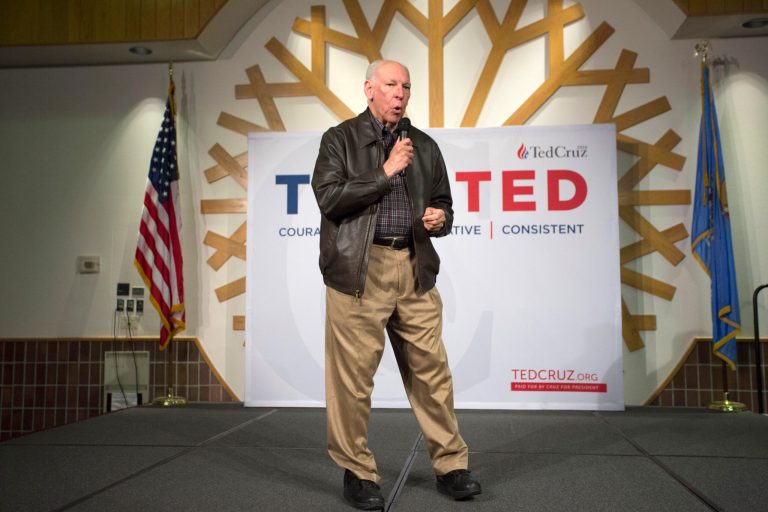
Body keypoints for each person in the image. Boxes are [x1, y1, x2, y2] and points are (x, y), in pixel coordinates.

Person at [311, 59, 481, 510]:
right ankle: (358, 472)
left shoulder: (422, 145)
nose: (400, 92)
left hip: (413, 265)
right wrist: (385, 172)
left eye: (406, 85)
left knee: (433, 373)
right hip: (358, 273)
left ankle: (451, 465)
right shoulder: (339, 140)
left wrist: (440, 217)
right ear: (369, 89)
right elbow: (329, 199)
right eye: (390, 84)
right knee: (352, 381)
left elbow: (443, 199)